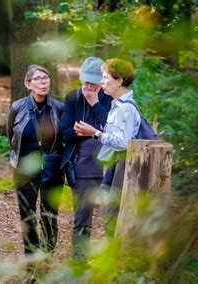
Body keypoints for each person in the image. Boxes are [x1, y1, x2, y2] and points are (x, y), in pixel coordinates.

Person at [73, 58, 140, 237]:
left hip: (123, 166)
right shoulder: (116, 106)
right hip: (115, 165)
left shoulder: (125, 108)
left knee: (115, 218)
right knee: (110, 216)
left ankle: (117, 261)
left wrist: (94, 132)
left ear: (119, 81)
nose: (101, 82)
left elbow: (122, 142)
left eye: (105, 77)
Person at [6, 64, 64, 257]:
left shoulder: (58, 107)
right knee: (27, 217)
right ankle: (32, 261)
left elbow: (63, 140)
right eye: (38, 79)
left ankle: (47, 257)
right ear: (28, 84)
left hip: (52, 170)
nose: (43, 82)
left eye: (46, 78)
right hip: (24, 170)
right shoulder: (17, 107)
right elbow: (11, 136)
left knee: (49, 216)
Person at [60, 57, 113, 257]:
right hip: (83, 167)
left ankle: (110, 264)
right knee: (82, 219)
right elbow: (65, 131)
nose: (89, 86)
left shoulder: (110, 98)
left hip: (110, 166)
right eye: (86, 82)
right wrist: (84, 132)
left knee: (112, 218)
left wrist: (95, 103)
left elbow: (112, 129)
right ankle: (80, 265)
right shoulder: (73, 98)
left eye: (94, 82)